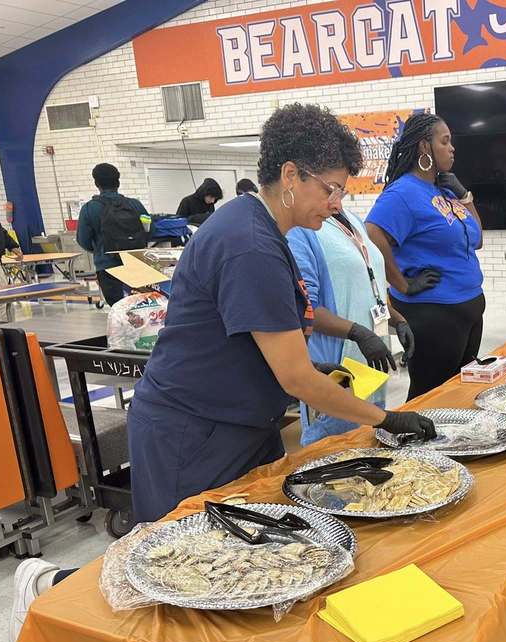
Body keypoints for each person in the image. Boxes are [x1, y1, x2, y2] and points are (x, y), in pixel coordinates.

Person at [122, 102, 435, 525]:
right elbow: (295, 378)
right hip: (194, 433)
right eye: (330, 189)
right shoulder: (250, 245)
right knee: (194, 560)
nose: (336, 203)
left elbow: (260, 337)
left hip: (243, 421)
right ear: (291, 175)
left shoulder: (265, 229)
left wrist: (313, 363)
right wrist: (386, 418)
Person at [365, 112, 486, 400]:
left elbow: (477, 238)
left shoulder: (442, 190)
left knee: (458, 396)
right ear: (424, 147)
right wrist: (402, 285)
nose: (452, 148)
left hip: (467, 309)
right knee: (430, 398)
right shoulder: (404, 192)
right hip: (435, 315)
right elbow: (372, 234)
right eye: (444, 142)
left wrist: (464, 196)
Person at [288, 206, 416, 445]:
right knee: (333, 456)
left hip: (371, 371)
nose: (336, 198)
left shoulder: (352, 220)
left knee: (368, 448)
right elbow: (305, 308)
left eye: (342, 187)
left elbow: (368, 285)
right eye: (331, 187)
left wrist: (397, 319)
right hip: (337, 372)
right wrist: (357, 332)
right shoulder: (302, 230)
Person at [76, 163, 149, 306]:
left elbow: (83, 240)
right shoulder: (135, 205)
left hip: (107, 266)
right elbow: (150, 229)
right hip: (136, 263)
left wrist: (99, 248)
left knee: (119, 309)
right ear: (118, 182)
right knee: (141, 307)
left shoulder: (89, 209)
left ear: (97, 183)